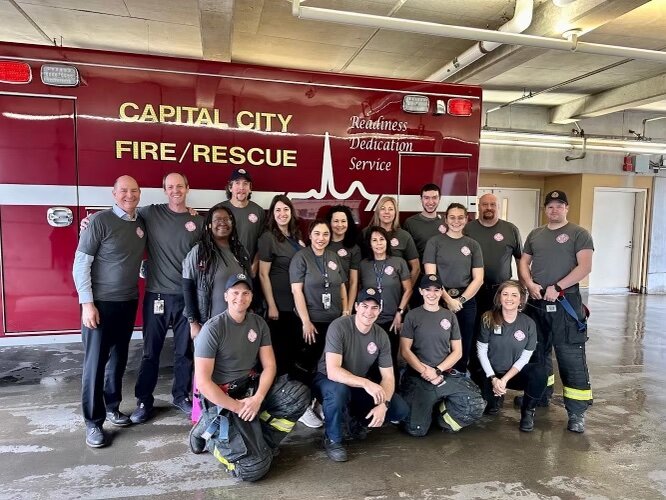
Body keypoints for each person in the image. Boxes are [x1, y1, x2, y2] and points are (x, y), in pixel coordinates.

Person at [189, 273, 310, 482]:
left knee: (298, 394)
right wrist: (238, 407)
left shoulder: (258, 323)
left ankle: (262, 444)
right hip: (222, 398)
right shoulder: (212, 329)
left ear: (251, 297)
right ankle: (209, 436)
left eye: (245, 293)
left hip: (249, 389)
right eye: (235, 293)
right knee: (252, 470)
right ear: (226, 296)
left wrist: (257, 399)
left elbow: (270, 366)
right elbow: (203, 382)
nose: (240, 298)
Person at [72, 175, 146, 448]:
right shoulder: (99, 222)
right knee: (95, 364)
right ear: (113, 194)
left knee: (118, 360)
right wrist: (87, 304)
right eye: (124, 191)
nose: (129, 195)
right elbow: (81, 264)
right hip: (100, 305)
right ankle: (93, 422)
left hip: (127, 302)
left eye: (134, 191)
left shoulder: (141, 222)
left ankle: (113, 407)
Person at [129, 173, 204, 424]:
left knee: (184, 352)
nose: (175, 191)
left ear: (187, 188)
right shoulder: (151, 213)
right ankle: (143, 400)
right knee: (151, 352)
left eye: (179, 186)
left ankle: (180, 396)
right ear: (164, 190)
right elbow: (122, 212)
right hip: (157, 296)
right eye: (170, 187)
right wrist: (91, 221)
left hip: (186, 297)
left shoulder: (198, 221)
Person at [518, 190, 594, 433]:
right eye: (550, 206)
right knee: (537, 353)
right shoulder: (535, 234)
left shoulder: (579, 234)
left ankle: (576, 412)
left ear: (566, 208)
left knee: (569, 356)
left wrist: (558, 287)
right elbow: (523, 261)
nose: (554, 210)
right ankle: (539, 395)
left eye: (559, 206)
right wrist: (529, 284)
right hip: (537, 301)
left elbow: (585, 267)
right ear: (545, 209)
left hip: (566, 302)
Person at [312, 287, 409, 462]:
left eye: (374, 307)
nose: (368, 312)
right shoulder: (339, 326)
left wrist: (384, 404)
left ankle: (356, 421)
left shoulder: (381, 336)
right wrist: (366, 383)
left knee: (399, 409)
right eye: (364, 306)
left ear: (379, 310)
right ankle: (332, 439)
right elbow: (333, 371)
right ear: (356, 306)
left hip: (357, 383)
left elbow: (388, 377)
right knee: (338, 392)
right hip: (328, 380)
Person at [399, 274, 485, 437]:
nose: (432, 294)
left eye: (436, 290)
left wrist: (437, 371)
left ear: (441, 292)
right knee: (416, 430)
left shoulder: (450, 316)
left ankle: (440, 412)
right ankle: (423, 407)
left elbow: (457, 351)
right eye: (427, 290)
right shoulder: (413, 316)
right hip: (419, 377)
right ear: (421, 292)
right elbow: (405, 351)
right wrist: (426, 372)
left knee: (475, 406)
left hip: (444, 375)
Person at [290, 219, 348, 428]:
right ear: (310, 235)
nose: (321, 238)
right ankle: (303, 407)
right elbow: (297, 290)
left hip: (333, 322)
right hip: (311, 322)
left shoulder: (333, 257)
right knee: (307, 365)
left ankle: (320, 402)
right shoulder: (301, 257)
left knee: (327, 366)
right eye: (317, 234)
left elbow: (341, 286)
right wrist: (305, 321)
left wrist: (346, 311)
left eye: (325, 234)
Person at [476, 280, 547, 432]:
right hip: (490, 374)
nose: (509, 298)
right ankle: (496, 397)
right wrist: (493, 378)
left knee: (540, 372)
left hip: (513, 374)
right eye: (505, 294)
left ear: (521, 299)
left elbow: (525, 357)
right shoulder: (488, 318)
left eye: (514, 295)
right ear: (499, 297)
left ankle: (528, 411)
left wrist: (504, 380)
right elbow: (481, 351)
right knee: (489, 409)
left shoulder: (528, 324)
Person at [424, 203, 484, 372]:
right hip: (438, 299)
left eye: (460, 217)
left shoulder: (473, 245)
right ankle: (436, 375)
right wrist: (448, 300)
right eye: (452, 217)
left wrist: (461, 300)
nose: (456, 221)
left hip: (466, 300)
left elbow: (478, 279)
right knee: (438, 340)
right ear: (446, 219)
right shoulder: (434, 242)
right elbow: (431, 277)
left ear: (466, 219)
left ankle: (459, 378)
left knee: (464, 340)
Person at [258, 195, 306, 377]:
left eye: (286, 209)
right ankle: (279, 395)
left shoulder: (296, 236)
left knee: (294, 350)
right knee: (280, 352)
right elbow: (263, 274)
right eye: (277, 210)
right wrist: (271, 305)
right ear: (272, 214)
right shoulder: (268, 238)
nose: (282, 213)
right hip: (280, 305)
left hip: (297, 304)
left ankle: (294, 397)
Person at [358, 226, 412, 383]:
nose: (378, 243)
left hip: (391, 321)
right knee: (369, 358)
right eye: (374, 240)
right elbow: (358, 290)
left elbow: (408, 289)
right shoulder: (364, 265)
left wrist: (399, 313)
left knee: (390, 360)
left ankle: (391, 394)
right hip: (369, 321)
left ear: (387, 242)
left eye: (381, 239)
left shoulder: (398, 262)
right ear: (369, 244)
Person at [464, 193, 522, 323]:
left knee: (498, 325)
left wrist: (522, 288)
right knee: (473, 326)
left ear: (498, 207)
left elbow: (520, 261)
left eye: (493, 204)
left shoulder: (511, 229)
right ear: (479, 207)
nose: (489, 207)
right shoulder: (468, 229)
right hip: (472, 290)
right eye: (485, 204)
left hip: (501, 290)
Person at [364, 196, 420, 286]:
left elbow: (416, 267)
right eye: (383, 208)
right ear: (378, 212)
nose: (387, 212)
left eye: (390, 209)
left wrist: (406, 291)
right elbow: (358, 266)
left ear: (395, 213)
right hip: (370, 291)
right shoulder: (366, 233)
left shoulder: (404, 236)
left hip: (395, 293)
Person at [221, 168, 265, 276]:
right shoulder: (219, 211)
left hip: (249, 272)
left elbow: (263, 243)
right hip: (225, 271)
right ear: (230, 187)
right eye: (237, 183)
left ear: (250, 188)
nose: (241, 187)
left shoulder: (258, 211)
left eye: (245, 183)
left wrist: (254, 265)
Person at [325, 205, 361, 310]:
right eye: (336, 221)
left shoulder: (354, 248)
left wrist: (348, 309)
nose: (340, 225)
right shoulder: (321, 243)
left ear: (348, 223)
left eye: (343, 221)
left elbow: (354, 282)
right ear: (329, 223)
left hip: (343, 302)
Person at [403, 183, 447, 260]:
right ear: (421, 199)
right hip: (421, 271)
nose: (430, 202)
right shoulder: (410, 223)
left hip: (444, 270)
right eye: (426, 198)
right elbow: (407, 252)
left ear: (439, 199)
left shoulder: (447, 221)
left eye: (434, 198)